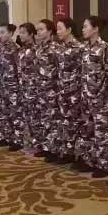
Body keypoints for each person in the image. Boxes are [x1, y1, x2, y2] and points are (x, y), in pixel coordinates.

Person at [75, 16, 108, 177]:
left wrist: (102, 94)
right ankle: (89, 160)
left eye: (86, 26)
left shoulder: (105, 48)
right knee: (87, 129)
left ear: (96, 28)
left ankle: (104, 165)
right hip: (86, 96)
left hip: (100, 98)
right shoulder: (84, 48)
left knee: (101, 132)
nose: (83, 29)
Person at [55, 17, 84, 165]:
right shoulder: (60, 48)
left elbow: (82, 72)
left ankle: (81, 156)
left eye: (60, 28)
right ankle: (68, 152)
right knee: (66, 123)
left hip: (75, 92)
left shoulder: (79, 48)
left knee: (78, 124)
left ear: (69, 30)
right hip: (63, 91)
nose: (57, 31)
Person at [34, 19, 60, 160]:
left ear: (49, 31)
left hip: (52, 90)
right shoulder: (39, 48)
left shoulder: (55, 48)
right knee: (43, 119)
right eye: (37, 30)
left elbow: (59, 69)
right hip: (40, 89)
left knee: (53, 120)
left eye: (41, 29)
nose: (38, 32)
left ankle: (54, 150)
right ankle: (45, 147)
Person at [0, 23, 24, 151]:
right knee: (5, 112)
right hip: (3, 85)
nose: (1, 35)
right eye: (0, 33)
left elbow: (19, 69)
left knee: (16, 113)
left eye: (3, 32)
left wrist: (19, 86)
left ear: (10, 33)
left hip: (13, 86)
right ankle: (7, 136)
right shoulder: (0, 48)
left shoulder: (15, 48)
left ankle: (18, 140)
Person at [17, 23, 39, 153]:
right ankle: (30, 142)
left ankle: (38, 144)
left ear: (31, 34)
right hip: (24, 87)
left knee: (35, 117)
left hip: (34, 88)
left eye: (23, 32)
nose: (20, 35)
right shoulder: (21, 50)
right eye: (20, 32)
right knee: (27, 116)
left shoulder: (36, 49)